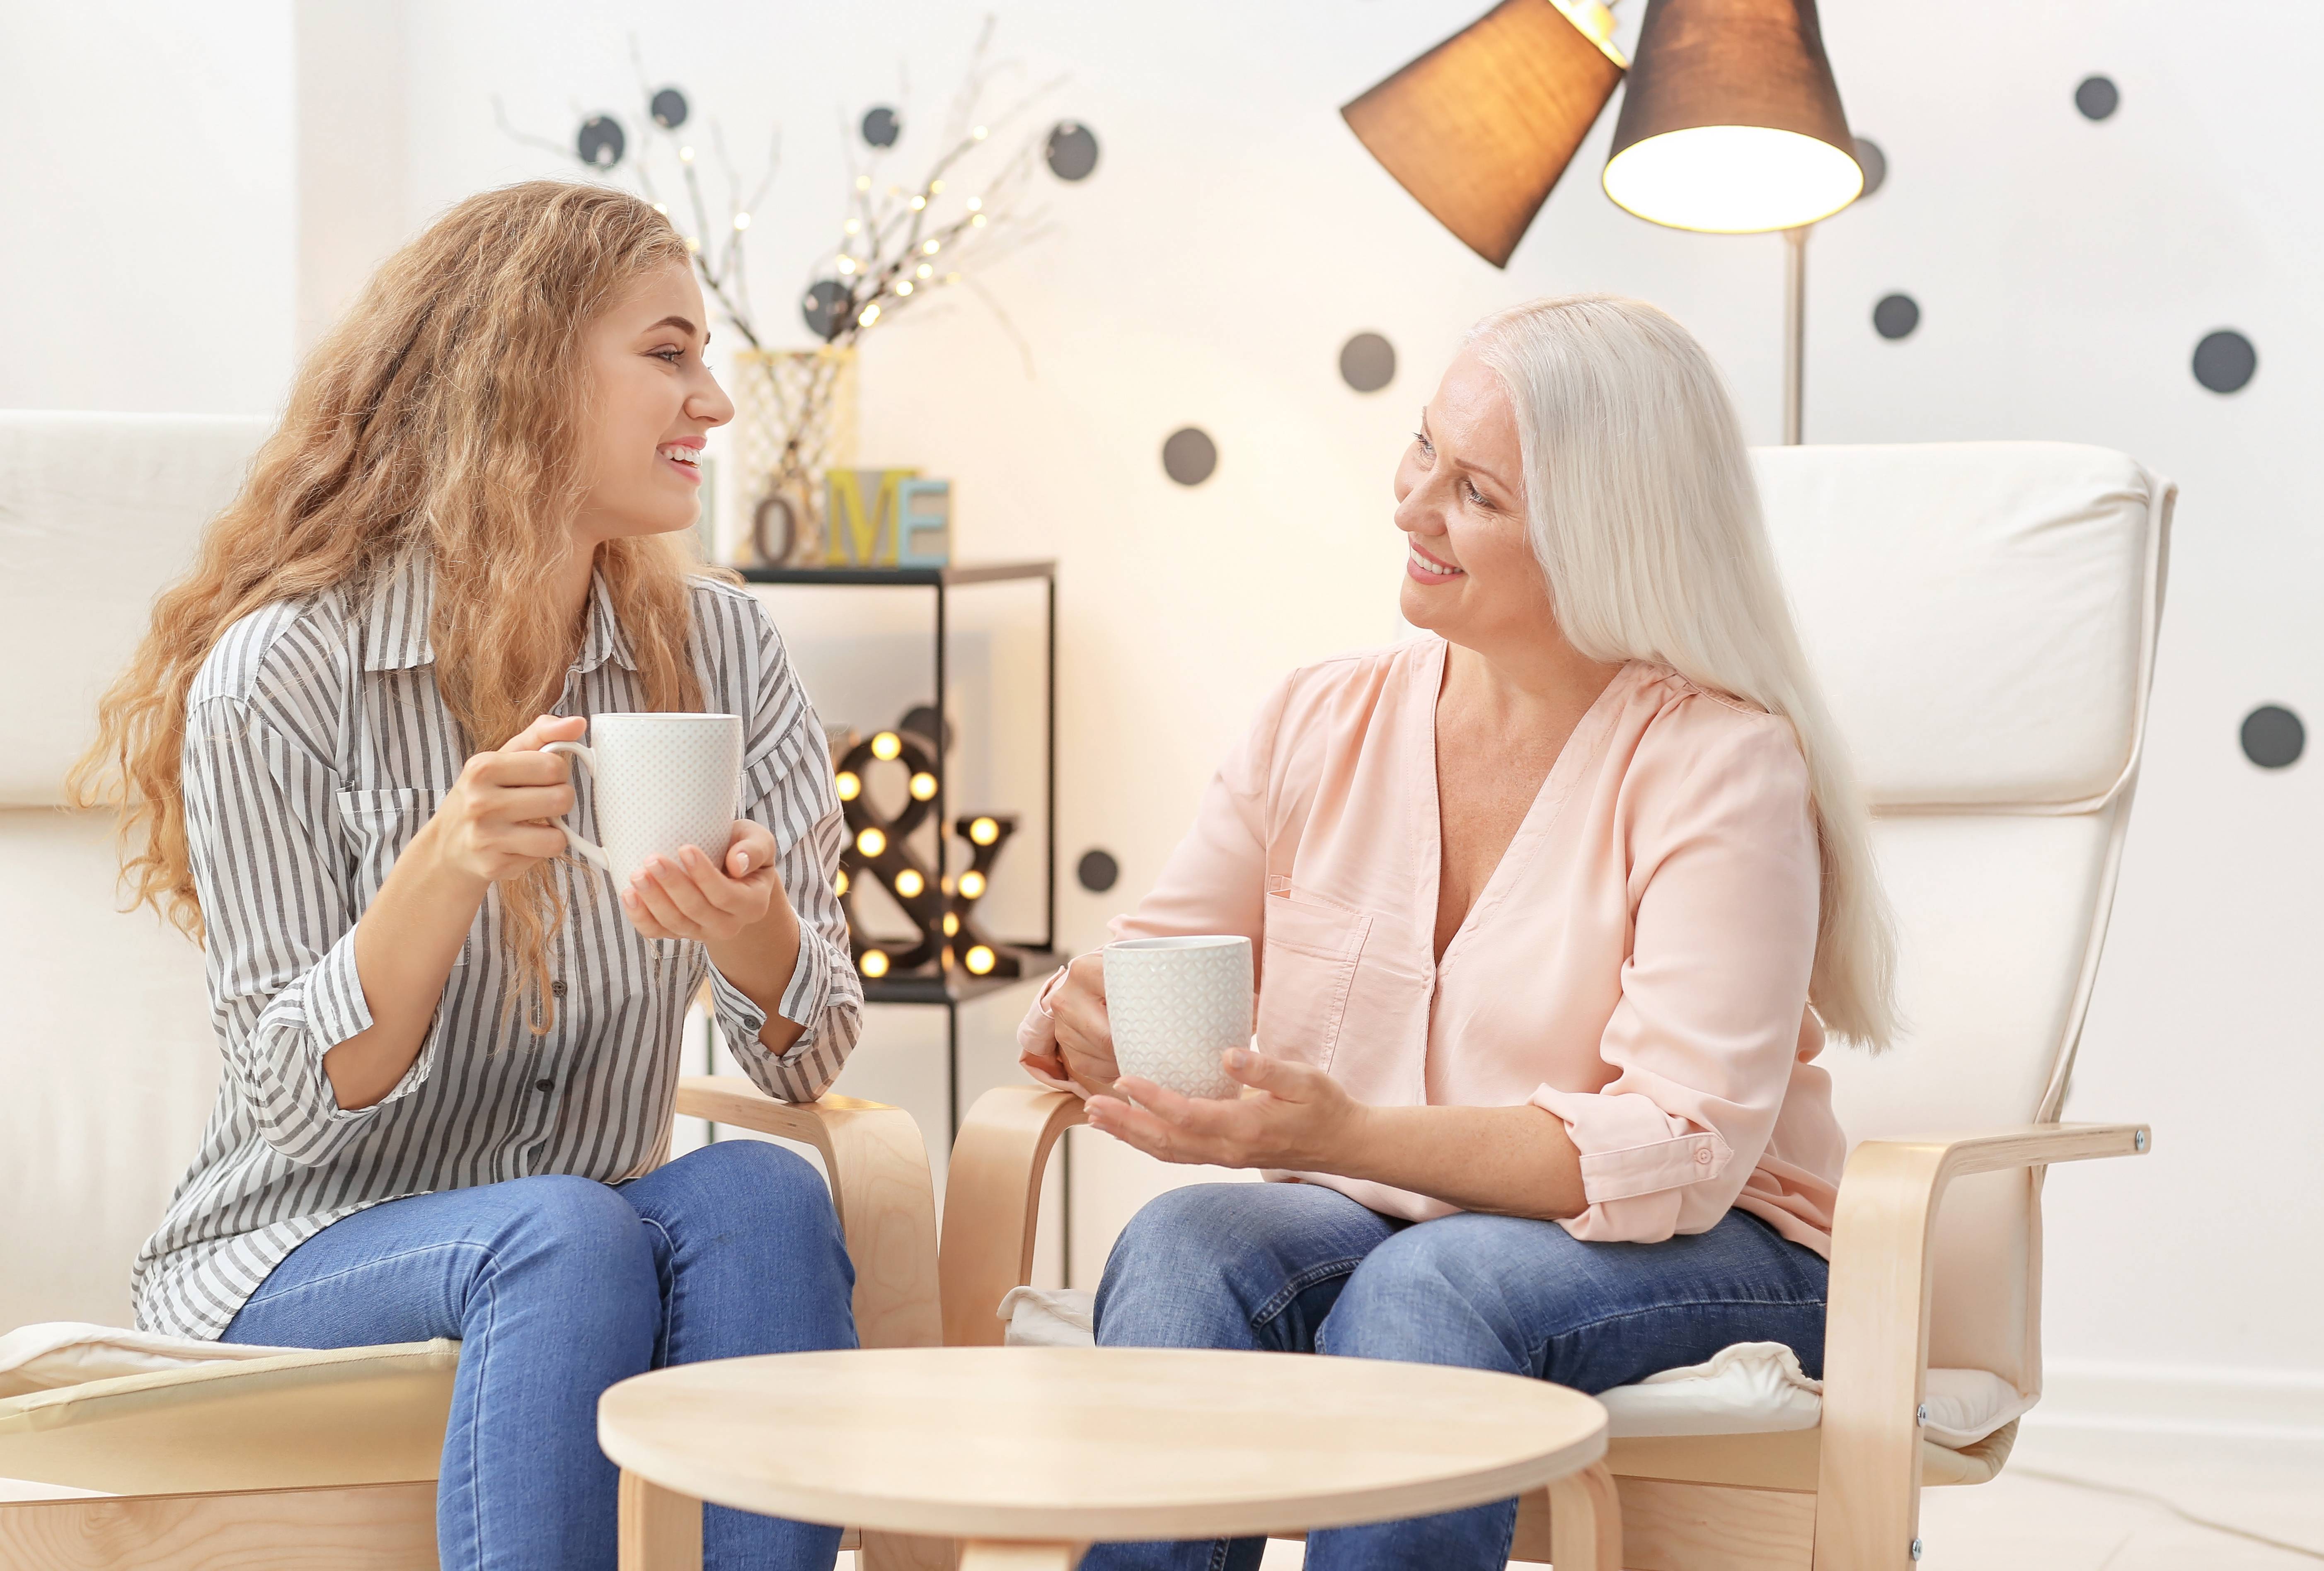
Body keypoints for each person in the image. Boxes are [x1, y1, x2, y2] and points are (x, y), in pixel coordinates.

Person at [1019, 295, 1897, 1571]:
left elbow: (1680, 1148)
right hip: (1389, 1214)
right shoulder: (1319, 721)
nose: (1413, 505)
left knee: (1429, 1290)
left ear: (1605, 538)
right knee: (1185, 1244)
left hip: (1711, 1249)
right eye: (1423, 448)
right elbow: (1158, 966)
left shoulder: (1722, 763)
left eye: (1475, 491)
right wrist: (1088, 1014)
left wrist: (1344, 1134)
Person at [75, 182, 861, 1571]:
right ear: (524, 372)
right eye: (670, 354)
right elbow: (289, 1113)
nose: (717, 403)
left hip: (582, 1213)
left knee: (762, 1195)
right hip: (304, 1243)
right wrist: (441, 870)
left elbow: (806, 1063)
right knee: (564, 1232)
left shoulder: (728, 651)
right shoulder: (291, 670)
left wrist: (754, 938)